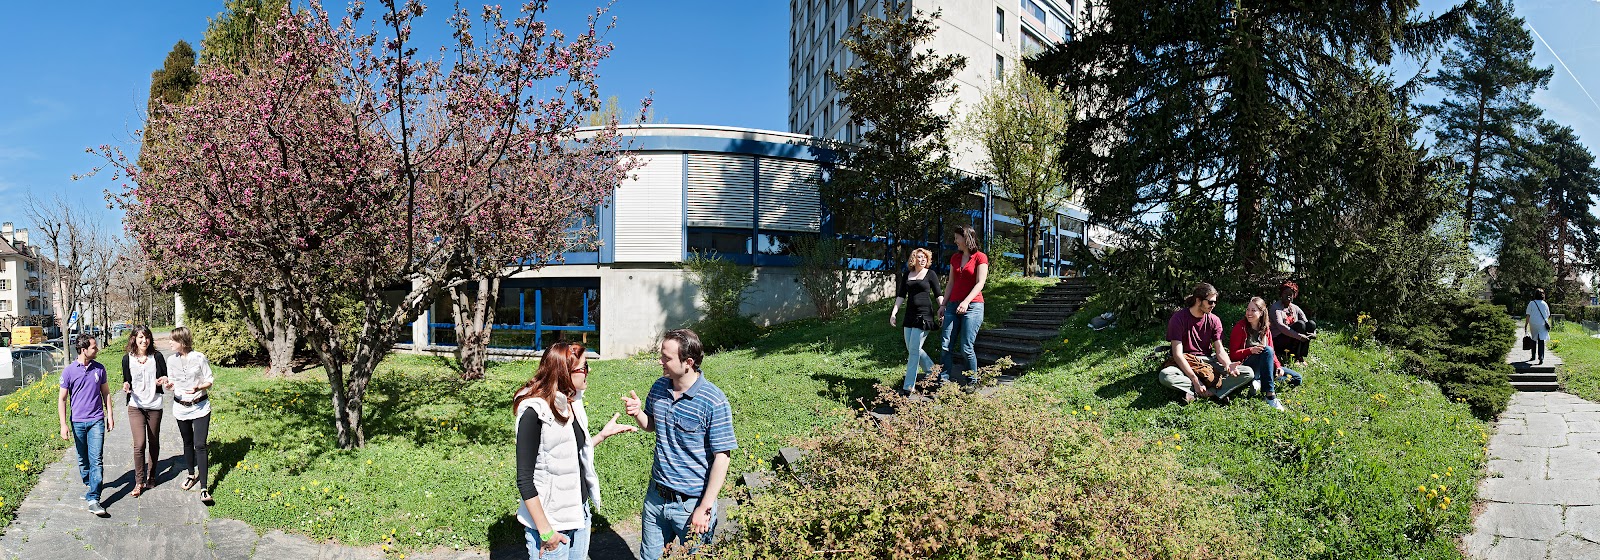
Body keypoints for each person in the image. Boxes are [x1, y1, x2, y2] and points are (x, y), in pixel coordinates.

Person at [622, 329, 738, 560]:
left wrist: (704, 508)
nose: (660, 361)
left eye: (666, 357)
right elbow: (651, 425)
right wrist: (637, 414)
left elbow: (722, 458)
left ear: (688, 362)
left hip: (692, 505)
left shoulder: (713, 401)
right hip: (656, 498)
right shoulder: (659, 387)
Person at [515, 342, 637, 559]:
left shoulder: (571, 401)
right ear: (563, 372)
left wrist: (601, 436)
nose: (588, 372)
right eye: (583, 368)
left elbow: (567, 453)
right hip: (551, 523)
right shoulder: (534, 412)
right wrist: (546, 532)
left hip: (579, 513)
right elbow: (524, 479)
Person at [1158, 283, 1254, 404]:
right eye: (1210, 302)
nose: (1213, 305)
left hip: (1207, 361)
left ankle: (1200, 390)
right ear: (1198, 300)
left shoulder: (1214, 320)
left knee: (1248, 373)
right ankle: (1213, 389)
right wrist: (1194, 379)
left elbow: (1219, 350)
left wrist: (1228, 365)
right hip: (1185, 361)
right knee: (1165, 376)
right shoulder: (1178, 319)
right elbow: (1178, 354)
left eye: (1215, 302)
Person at [57, 334, 114, 517]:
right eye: (94, 347)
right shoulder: (69, 372)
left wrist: (110, 415)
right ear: (84, 350)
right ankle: (90, 484)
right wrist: (63, 425)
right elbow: (62, 399)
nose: (97, 350)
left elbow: (106, 394)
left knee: (96, 458)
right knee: (83, 459)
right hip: (78, 422)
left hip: (97, 419)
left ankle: (93, 498)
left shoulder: (100, 369)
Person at [167, 326, 215, 505]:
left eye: (173, 340)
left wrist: (199, 387)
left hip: (200, 406)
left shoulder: (199, 358)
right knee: (187, 442)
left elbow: (209, 380)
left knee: (200, 444)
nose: (170, 342)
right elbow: (171, 380)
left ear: (182, 341)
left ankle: (204, 488)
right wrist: (168, 385)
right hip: (180, 407)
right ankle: (190, 474)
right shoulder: (171, 360)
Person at [1228, 297, 1301, 412]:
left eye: (1253, 310)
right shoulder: (1240, 327)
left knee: (1297, 378)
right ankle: (1270, 395)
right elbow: (1233, 355)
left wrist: (1277, 366)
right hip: (1247, 365)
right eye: (1248, 309)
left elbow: (1272, 351)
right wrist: (1250, 350)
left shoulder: (1265, 329)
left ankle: (1261, 381)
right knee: (1266, 350)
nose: (1249, 313)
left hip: (1265, 363)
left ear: (1261, 312)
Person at [121, 326, 168, 497]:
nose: (144, 340)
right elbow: (127, 379)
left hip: (154, 405)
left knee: (153, 442)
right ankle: (139, 481)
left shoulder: (157, 357)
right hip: (136, 405)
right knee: (139, 444)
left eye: (147, 337)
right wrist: (126, 385)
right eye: (140, 337)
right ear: (134, 339)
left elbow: (165, 377)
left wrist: (164, 380)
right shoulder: (127, 359)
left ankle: (152, 475)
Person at [889, 247, 943, 395]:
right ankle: (933, 371)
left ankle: (908, 386)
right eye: (919, 257)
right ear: (914, 259)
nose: (923, 259)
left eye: (925, 257)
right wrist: (894, 313)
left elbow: (938, 294)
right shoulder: (908, 274)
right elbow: (901, 296)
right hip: (910, 315)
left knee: (913, 351)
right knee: (912, 348)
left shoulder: (930, 274)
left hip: (924, 315)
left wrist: (942, 309)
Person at [939, 225, 988, 384]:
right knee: (946, 345)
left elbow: (980, 283)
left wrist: (966, 302)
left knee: (966, 347)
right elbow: (951, 283)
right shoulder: (955, 258)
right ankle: (943, 380)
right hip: (953, 306)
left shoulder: (980, 257)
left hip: (973, 306)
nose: (955, 241)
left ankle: (971, 381)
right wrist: (943, 305)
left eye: (957, 238)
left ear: (966, 238)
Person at [1270, 282, 1317, 363]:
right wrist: (1298, 336)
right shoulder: (1276, 308)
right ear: (1281, 294)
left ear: (1294, 296)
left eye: (1290, 294)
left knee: (1311, 324)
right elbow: (1281, 326)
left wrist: (1314, 333)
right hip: (1279, 340)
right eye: (1285, 293)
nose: (1288, 296)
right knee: (1300, 325)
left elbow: (1306, 322)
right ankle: (1295, 356)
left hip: (1292, 337)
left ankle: (1300, 356)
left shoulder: (1295, 308)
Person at [1526, 288, 1552, 364]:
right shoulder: (1545, 304)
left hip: (1533, 323)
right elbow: (1548, 315)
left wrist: (1526, 325)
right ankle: (1541, 357)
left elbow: (1528, 315)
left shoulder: (1531, 303)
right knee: (1541, 340)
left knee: (1533, 339)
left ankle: (1533, 356)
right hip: (1542, 324)